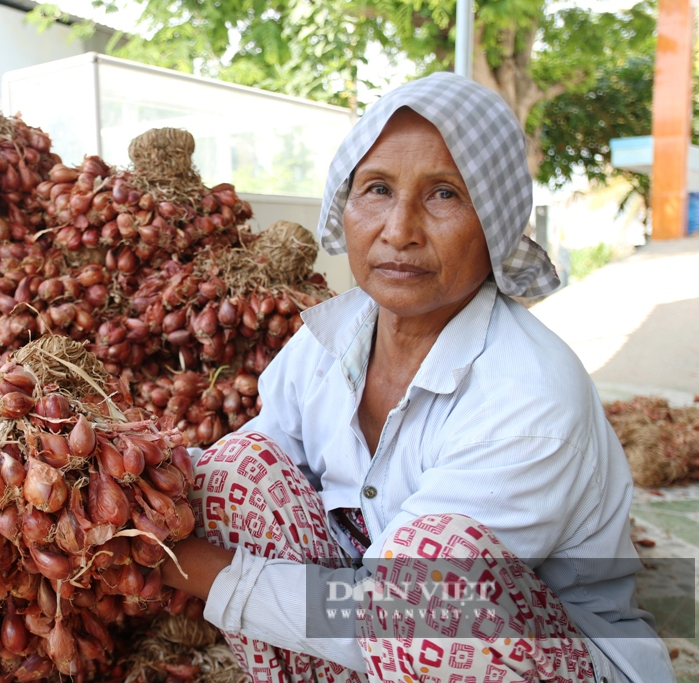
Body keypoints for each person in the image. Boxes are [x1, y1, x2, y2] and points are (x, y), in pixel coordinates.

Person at [159, 72, 675, 683]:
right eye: (376, 189)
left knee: (427, 565)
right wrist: (117, 487)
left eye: (444, 195)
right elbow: (251, 473)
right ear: (345, 206)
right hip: (371, 626)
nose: (399, 230)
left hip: (528, 655)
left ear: (497, 223)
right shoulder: (328, 341)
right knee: (235, 472)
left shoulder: (529, 397)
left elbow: (412, 614)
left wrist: (180, 563)